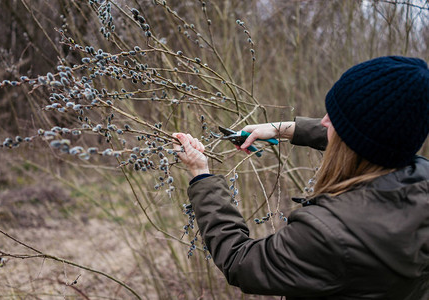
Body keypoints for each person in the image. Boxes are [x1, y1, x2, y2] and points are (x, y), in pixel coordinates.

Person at [172, 56, 429, 299]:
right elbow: (365, 140)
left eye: (334, 118)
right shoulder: (420, 178)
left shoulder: (330, 235)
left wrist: (201, 175)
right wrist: (283, 129)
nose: (324, 121)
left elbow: (241, 262)